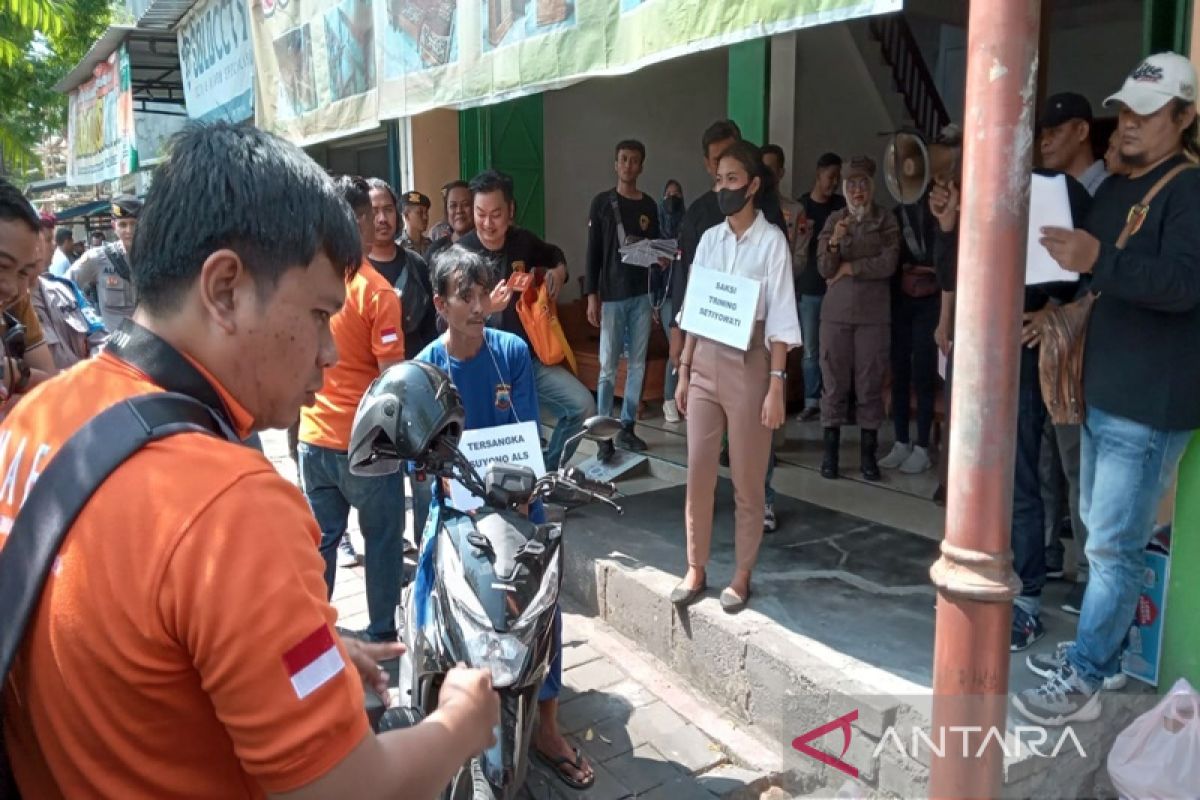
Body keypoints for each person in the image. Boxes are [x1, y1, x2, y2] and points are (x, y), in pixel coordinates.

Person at [0, 123, 498, 798]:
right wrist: (462, 723)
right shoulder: (232, 504)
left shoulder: (39, 413)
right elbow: (344, 789)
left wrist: (279, 654)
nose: (327, 351)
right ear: (226, 287)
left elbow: (123, 644)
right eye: (320, 313)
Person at [1017, 52, 1200, 725]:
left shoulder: (1189, 192)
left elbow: (1183, 287)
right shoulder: (1119, 190)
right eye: (1124, 110)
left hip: (1150, 403)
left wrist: (1100, 259)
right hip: (1103, 392)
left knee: (1111, 544)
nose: (1128, 124)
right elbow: (1088, 279)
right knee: (1101, 530)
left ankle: (1088, 673)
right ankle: (1111, 655)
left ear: (1184, 118)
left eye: (1147, 114)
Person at [417, 245, 596, 791]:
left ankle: (547, 725)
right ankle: (430, 703)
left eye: (481, 294)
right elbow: (425, 452)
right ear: (439, 303)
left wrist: (522, 495)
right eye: (463, 296)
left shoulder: (512, 352)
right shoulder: (427, 364)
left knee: (544, 607)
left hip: (517, 498)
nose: (476, 306)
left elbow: (523, 435)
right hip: (456, 502)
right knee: (426, 585)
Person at [670, 141, 801, 614]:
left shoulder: (771, 244)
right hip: (703, 362)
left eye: (731, 180)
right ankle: (695, 566)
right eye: (718, 180)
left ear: (753, 185)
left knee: (747, 481)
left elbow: (783, 320)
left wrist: (776, 385)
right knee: (699, 472)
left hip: (750, 365)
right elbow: (692, 312)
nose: (723, 188)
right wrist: (683, 372)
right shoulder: (709, 239)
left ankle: (742, 574)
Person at [298, 175, 409, 642]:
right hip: (365, 448)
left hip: (311, 440)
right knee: (382, 544)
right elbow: (390, 386)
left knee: (320, 543)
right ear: (361, 221)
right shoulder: (376, 291)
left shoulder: (306, 281)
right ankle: (383, 635)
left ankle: (316, 637)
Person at [1004, 170, 1094, 651]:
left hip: (1029, 349)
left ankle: (1027, 601)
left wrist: (1053, 309)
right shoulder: (979, 195)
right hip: (987, 345)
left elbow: (1083, 278)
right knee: (989, 476)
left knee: (1028, 475)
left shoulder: (1058, 194)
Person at [458, 169, 596, 471]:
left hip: (528, 361)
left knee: (583, 406)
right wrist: (485, 307)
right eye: (480, 214)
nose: (487, 223)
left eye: (496, 214)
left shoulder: (523, 242)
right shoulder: (462, 254)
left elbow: (554, 254)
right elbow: (447, 320)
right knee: (512, 435)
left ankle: (545, 471)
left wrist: (558, 272)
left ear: (510, 211)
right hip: (484, 366)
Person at [879, 130, 962, 476]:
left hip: (932, 299)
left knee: (924, 373)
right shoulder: (899, 211)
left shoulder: (940, 204)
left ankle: (923, 445)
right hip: (904, 298)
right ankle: (901, 439)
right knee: (899, 368)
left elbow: (946, 259)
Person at [816, 157, 900, 482]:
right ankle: (830, 456)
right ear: (844, 188)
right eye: (851, 184)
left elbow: (888, 263)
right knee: (833, 383)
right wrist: (836, 241)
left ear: (872, 185)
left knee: (869, 384)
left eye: (863, 182)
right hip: (835, 316)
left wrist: (851, 268)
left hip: (873, 316)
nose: (858, 190)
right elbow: (824, 267)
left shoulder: (885, 220)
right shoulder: (835, 220)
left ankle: (868, 457)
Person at [585, 139, 660, 461]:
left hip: (641, 296)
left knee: (638, 364)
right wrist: (592, 295)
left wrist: (659, 265)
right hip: (612, 297)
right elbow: (593, 252)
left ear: (641, 166)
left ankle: (627, 425)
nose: (629, 166)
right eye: (623, 160)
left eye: (634, 161)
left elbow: (656, 249)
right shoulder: (602, 203)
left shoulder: (649, 206)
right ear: (616, 164)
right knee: (607, 367)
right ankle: (604, 431)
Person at [796, 153, 846, 422]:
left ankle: (836, 400)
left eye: (838, 178)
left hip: (836, 287)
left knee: (836, 348)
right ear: (818, 175)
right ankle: (811, 400)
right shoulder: (801, 207)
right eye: (830, 177)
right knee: (811, 349)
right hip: (809, 287)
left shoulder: (841, 207)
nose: (834, 183)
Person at [0, 183, 58, 411]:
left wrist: (14, 374)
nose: (13, 288)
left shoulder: (15, 306)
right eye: (3, 265)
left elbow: (51, 389)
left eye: (24, 272)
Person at [29, 227, 108, 370]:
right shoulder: (9, 304)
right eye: (47, 240)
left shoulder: (67, 288)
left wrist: (92, 370)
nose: (53, 245)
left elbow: (99, 334)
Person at [69, 195, 141, 332]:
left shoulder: (153, 259)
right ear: (114, 226)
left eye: (134, 224)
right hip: (113, 346)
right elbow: (66, 287)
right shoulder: (97, 258)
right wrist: (89, 322)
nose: (129, 231)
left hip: (146, 345)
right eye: (123, 224)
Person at [1039, 92, 1110, 195]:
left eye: (1055, 132)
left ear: (1082, 131)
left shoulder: (1112, 189)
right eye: (1042, 136)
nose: (1044, 142)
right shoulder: (1046, 191)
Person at [655, 179, 685, 423]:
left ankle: (681, 397)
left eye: (677, 194)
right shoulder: (656, 230)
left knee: (687, 348)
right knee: (676, 348)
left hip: (687, 297)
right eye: (669, 195)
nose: (673, 199)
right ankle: (669, 400)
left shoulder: (688, 227)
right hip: (665, 299)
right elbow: (649, 273)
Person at [425, 180, 473, 264]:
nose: (459, 211)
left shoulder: (487, 246)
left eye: (465, 204)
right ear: (446, 211)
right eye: (453, 206)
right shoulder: (435, 250)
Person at [399, 190, 432, 254]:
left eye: (426, 213)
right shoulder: (398, 248)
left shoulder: (430, 245)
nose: (425, 217)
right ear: (406, 216)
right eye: (420, 213)